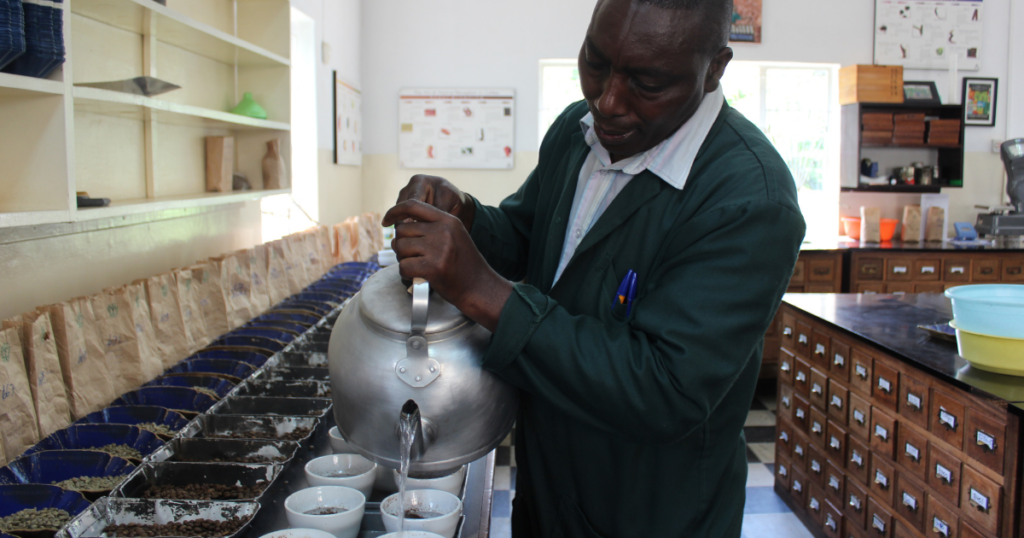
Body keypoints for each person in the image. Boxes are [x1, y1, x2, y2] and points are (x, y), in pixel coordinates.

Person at [382, 0, 806, 535]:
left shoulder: (748, 199)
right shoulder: (576, 133)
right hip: (550, 485)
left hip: (649, 512)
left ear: (715, 68)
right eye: (595, 62)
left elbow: (665, 390)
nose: (607, 101)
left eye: (647, 84)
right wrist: (466, 216)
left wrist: (482, 291)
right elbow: (529, 236)